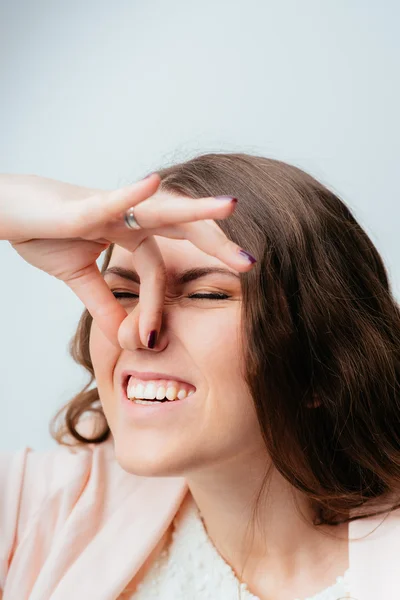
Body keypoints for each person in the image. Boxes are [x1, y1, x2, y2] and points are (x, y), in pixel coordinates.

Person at [1, 152, 400, 600]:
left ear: (323, 358)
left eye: (206, 294)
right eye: (123, 291)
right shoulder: (41, 511)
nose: (140, 330)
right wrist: (25, 209)